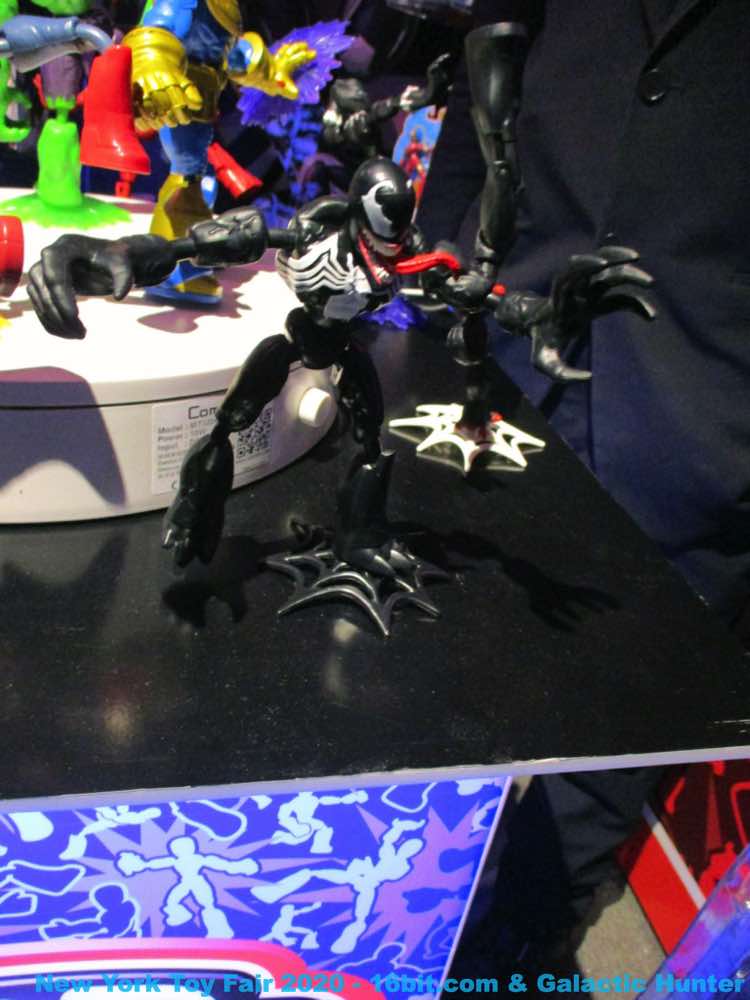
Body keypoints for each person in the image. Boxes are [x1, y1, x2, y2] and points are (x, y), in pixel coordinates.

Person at [416, 0, 750, 975]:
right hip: (498, 362)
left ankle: (511, 954)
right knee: (439, 684)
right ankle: (407, 928)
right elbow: (483, 93)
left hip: (704, 424)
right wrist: (434, 272)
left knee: (605, 756)